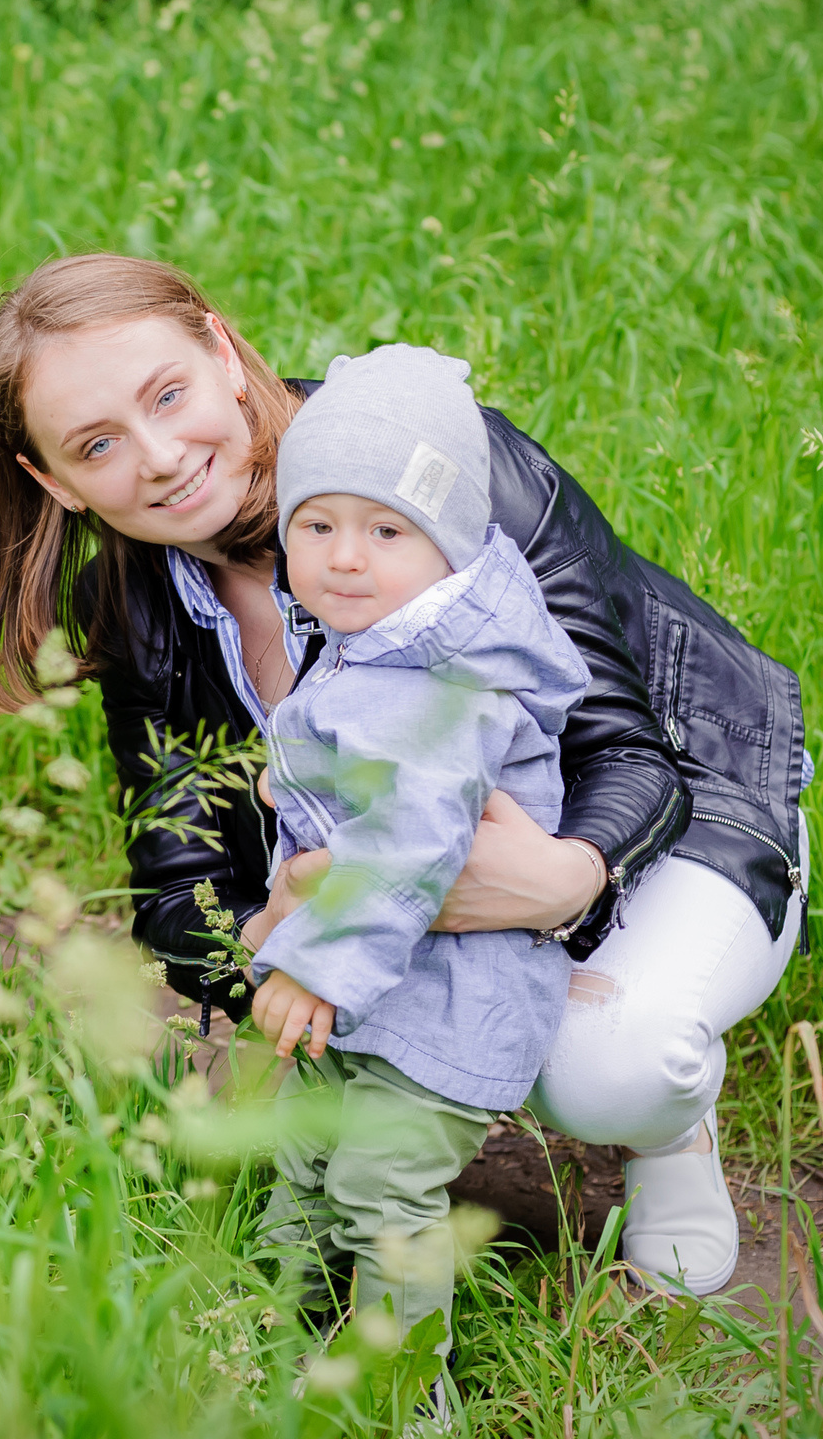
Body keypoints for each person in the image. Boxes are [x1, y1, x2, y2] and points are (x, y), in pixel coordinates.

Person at [0, 254, 809, 1296]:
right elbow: (177, 889)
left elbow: (624, 747)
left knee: (607, 1066)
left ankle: (670, 1136)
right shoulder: (131, 605)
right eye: (97, 444)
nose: (160, 458)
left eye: (166, 395)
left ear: (222, 354)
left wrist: (568, 880)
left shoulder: (418, 455)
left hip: (669, 806)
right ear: (54, 482)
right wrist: (273, 939)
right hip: (402, 883)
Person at [246, 343, 589, 1374]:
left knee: (379, 1189)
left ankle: (400, 1390)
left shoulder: (449, 677)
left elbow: (414, 834)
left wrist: (314, 961)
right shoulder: (387, 638)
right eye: (317, 526)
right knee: (303, 1157)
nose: (345, 558)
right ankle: (267, 1339)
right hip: (382, 989)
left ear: (449, 545)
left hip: (448, 998)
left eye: (386, 530)